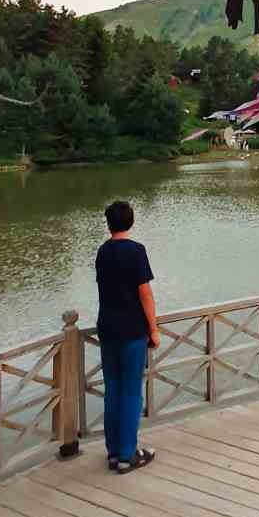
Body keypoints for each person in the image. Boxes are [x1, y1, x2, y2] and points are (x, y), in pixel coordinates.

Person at [95, 199, 159, 473]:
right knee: (132, 392)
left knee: (113, 390)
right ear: (130, 222)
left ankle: (113, 451)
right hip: (132, 330)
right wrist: (154, 329)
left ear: (108, 223)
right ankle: (127, 455)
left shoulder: (102, 252)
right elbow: (144, 293)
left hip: (107, 328)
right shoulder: (135, 251)